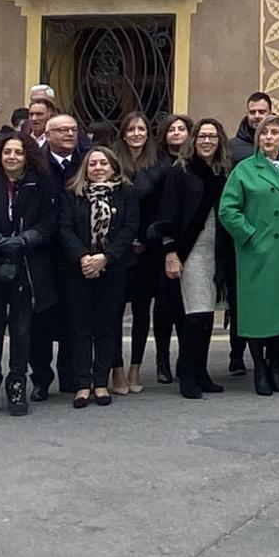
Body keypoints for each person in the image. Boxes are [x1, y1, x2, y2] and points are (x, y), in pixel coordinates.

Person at [0, 130, 57, 418]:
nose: (12, 157)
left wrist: (27, 239)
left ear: (27, 155)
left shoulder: (41, 184)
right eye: (7, 152)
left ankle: (17, 383)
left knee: (22, 330)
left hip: (27, 267)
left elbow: (49, 222)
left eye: (18, 152)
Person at [217, 115, 279, 397]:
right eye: (264, 133)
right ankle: (260, 369)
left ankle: (278, 367)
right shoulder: (244, 169)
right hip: (258, 251)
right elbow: (227, 210)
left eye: (274, 132)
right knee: (257, 315)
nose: (269, 137)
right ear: (257, 138)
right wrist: (250, 234)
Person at [59, 146, 138, 409]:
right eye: (92, 164)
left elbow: (129, 229)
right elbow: (65, 228)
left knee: (107, 327)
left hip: (113, 268)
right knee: (79, 327)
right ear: (85, 169)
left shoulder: (126, 193)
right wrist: (83, 257)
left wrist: (105, 258)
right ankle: (83, 383)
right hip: (78, 269)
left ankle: (101, 382)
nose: (98, 168)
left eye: (103, 163)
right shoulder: (72, 194)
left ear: (114, 167)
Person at [161, 118, 228, 400]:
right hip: (191, 250)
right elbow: (169, 213)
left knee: (207, 315)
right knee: (195, 314)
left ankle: (201, 372)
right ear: (194, 140)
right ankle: (187, 375)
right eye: (202, 136)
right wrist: (171, 252)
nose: (207, 141)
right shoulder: (181, 171)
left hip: (218, 250)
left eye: (212, 136)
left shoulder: (223, 172)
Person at [29, 113, 85, 400]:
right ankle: (40, 378)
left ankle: (71, 375)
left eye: (73, 130)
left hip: (75, 252)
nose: (69, 134)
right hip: (42, 252)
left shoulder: (86, 160)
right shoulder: (34, 163)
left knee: (74, 315)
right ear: (48, 135)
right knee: (41, 318)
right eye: (62, 130)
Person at [140, 112, 193, 385]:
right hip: (161, 241)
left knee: (186, 305)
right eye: (171, 129)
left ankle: (185, 359)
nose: (176, 133)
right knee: (164, 304)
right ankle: (162, 358)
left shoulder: (194, 163)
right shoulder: (156, 163)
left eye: (181, 129)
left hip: (190, 240)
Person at [112, 110, 162, 395]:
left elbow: (159, 207)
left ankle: (135, 368)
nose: (136, 134)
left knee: (143, 311)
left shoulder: (157, 164)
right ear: (123, 133)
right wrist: (124, 239)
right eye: (131, 129)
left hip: (147, 249)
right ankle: (116, 369)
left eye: (141, 129)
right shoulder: (112, 161)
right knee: (114, 311)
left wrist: (144, 239)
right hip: (118, 248)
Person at [230, 92, 273, 163]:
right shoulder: (232, 147)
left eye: (262, 112)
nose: (257, 116)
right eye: (252, 112)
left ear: (270, 113)